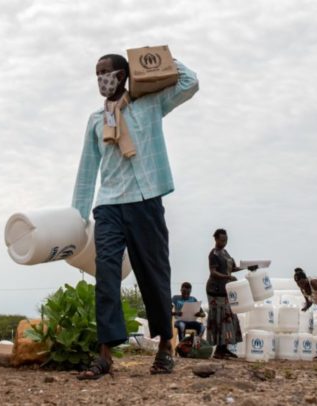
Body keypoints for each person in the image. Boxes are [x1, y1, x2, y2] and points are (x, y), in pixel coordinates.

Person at [73, 53, 198, 379]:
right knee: (107, 275)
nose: (102, 78)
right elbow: (87, 170)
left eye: (107, 71)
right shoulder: (95, 120)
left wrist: (154, 60)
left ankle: (164, 347)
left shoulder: (150, 105)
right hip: (109, 205)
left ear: (123, 74)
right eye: (97, 73)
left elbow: (190, 83)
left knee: (154, 275)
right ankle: (104, 355)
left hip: (145, 200)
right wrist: (78, 216)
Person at [206, 228, 257, 359]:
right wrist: (227, 277)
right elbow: (213, 272)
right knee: (220, 319)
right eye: (222, 240)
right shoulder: (214, 254)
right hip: (215, 290)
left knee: (229, 318)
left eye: (226, 240)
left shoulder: (225, 253)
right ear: (216, 239)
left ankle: (224, 348)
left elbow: (232, 268)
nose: (224, 242)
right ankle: (219, 350)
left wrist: (247, 267)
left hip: (226, 289)